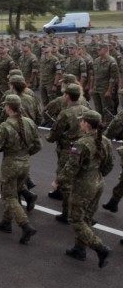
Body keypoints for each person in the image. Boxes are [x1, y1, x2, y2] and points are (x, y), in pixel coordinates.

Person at [0, 95, 41, 244]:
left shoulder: (5, 126)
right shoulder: (29, 122)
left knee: (9, 196)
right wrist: (25, 154)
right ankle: (6, 221)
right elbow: (38, 145)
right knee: (15, 192)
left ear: (8, 107)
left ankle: (25, 225)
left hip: (11, 164)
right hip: (25, 162)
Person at [62, 111, 113, 268]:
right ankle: (79, 249)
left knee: (76, 219)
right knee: (87, 218)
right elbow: (109, 164)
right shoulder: (105, 141)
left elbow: (71, 167)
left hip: (84, 184)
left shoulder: (82, 143)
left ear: (87, 124)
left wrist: (59, 181)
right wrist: (97, 175)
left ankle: (99, 247)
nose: (80, 123)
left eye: (82, 121)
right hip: (98, 181)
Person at [45, 83, 89, 221]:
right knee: (80, 178)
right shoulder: (85, 109)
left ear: (67, 96)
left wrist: (49, 138)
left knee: (64, 180)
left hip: (68, 148)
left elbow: (55, 132)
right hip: (84, 147)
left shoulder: (66, 113)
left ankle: (67, 213)